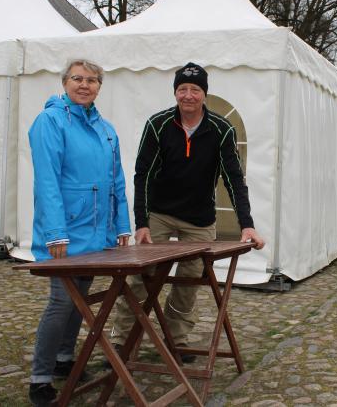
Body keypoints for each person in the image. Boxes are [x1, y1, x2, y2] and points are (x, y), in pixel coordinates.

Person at [108, 62, 264, 363]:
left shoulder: (221, 129)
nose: (188, 96)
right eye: (182, 89)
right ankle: (122, 340)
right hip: (160, 214)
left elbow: (233, 179)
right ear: (175, 93)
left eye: (195, 90)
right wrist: (142, 223)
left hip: (199, 219)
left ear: (205, 94)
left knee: (189, 282)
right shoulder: (158, 124)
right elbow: (143, 175)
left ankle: (174, 339)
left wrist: (247, 225)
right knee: (140, 278)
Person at [27, 59, 131, 407]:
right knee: (61, 301)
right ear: (65, 83)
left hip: (96, 232)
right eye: (77, 79)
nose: (84, 85)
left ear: (100, 86)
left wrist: (122, 226)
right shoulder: (50, 121)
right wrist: (55, 233)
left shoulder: (106, 129)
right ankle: (40, 378)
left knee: (79, 300)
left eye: (91, 80)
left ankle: (63, 359)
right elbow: (47, 180)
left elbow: (116, 180)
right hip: (66, 232)